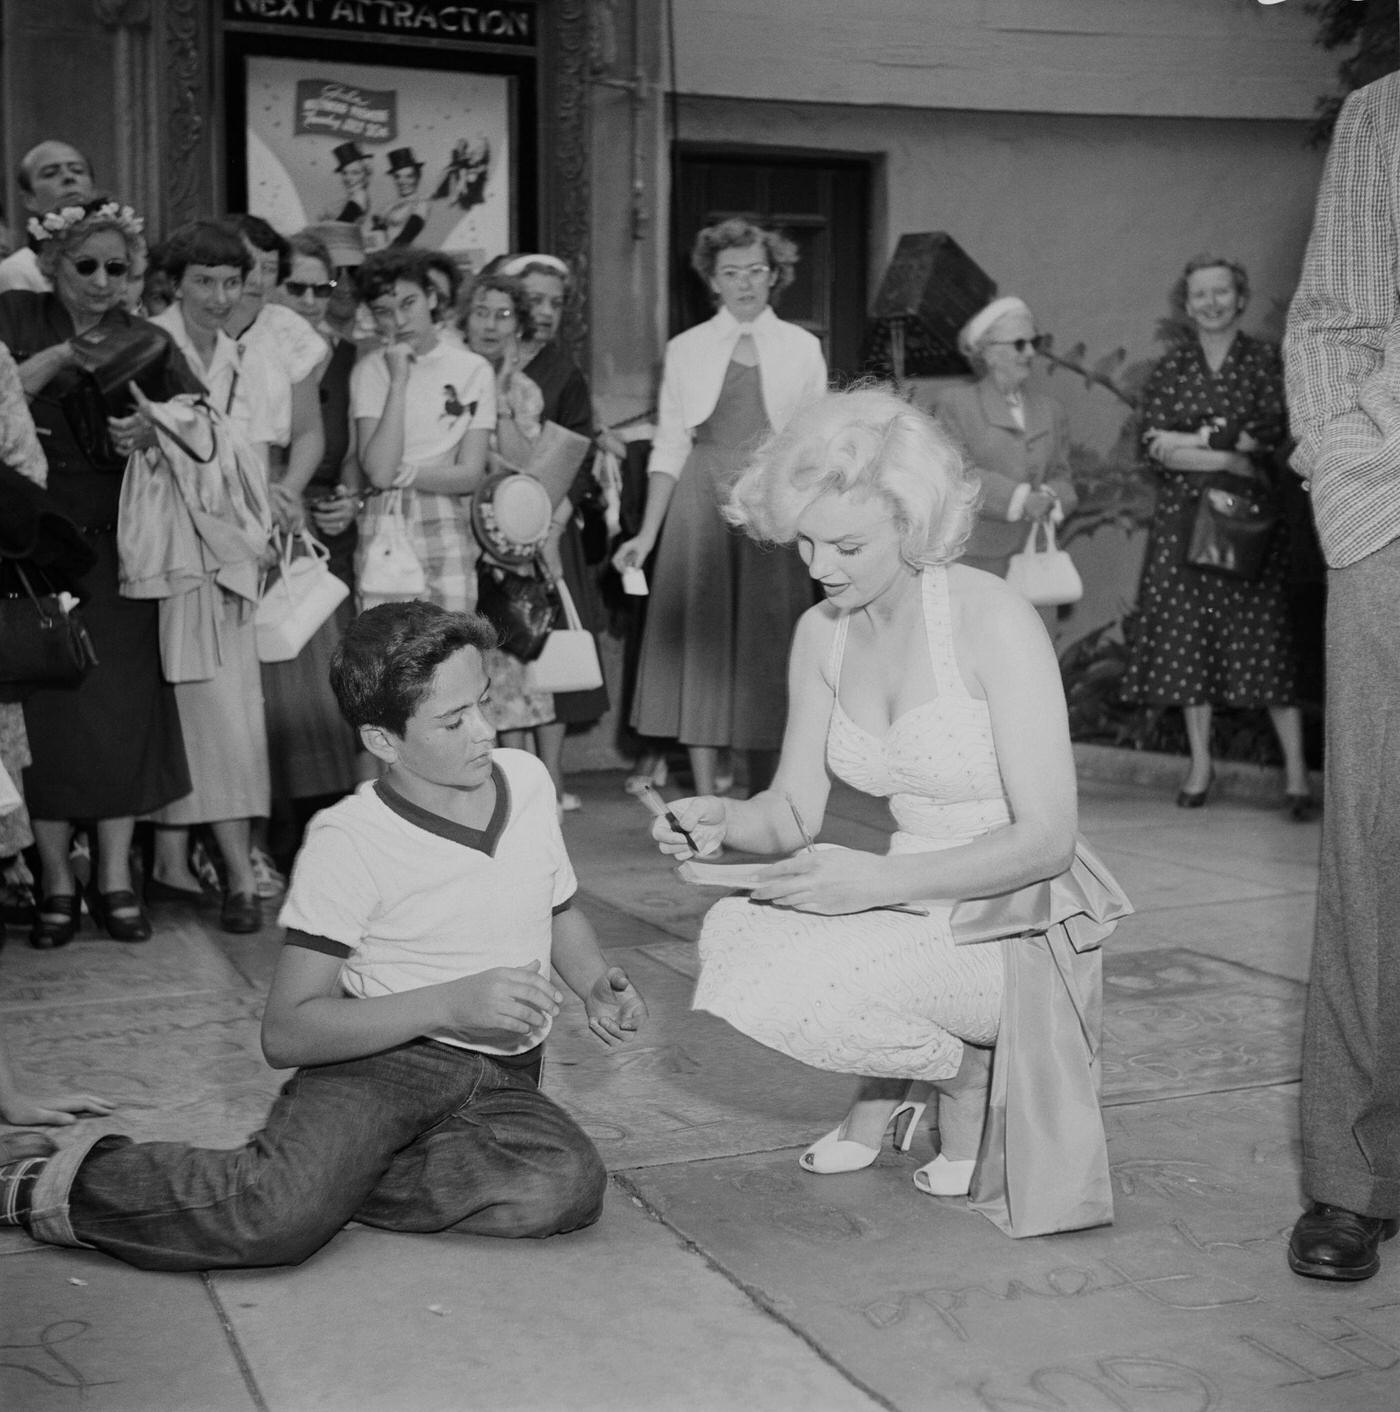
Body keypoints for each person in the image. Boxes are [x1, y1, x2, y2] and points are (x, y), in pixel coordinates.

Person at [0, 601, 647, 1270]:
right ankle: (55, 1179)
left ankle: (328, 1181)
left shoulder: (530, 782)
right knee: (269, 1221)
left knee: (563, 1190)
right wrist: (449, 1004)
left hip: (503, 1077)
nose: (485, 732)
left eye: (484, 703)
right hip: (381, 1062)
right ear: (384, 741)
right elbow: (287, 1032)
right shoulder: (351, 840)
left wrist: (596, 981)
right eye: (453, 721)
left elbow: (558, 908)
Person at [648, 386, 1126, 1237]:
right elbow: (792, 813)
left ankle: (954, 1080)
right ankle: (953, 1072)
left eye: (848, 544)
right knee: (732, 941)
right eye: (805, 543)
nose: (822, 568)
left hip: (1012, 920)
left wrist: (874, 880)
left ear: (914, 521)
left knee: (832, 983)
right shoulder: (820, 633)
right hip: (903, 898)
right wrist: (722, 817)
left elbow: (1048, 841)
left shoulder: (993, 619)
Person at [0, 196, 193, 946]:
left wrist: (155, 430)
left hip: (121, 553)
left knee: (118, 715)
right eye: (87, 265)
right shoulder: (16, 317)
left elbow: (204, 432)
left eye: (119, 267)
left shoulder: (147, 338)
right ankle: (55, 881)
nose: (103, 280)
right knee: (42, 712)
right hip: (30, 551)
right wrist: (49, 365)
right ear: (53, 264)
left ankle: (114, 877)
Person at [1283, 71, 1400, 1283]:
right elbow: (1332, 319)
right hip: (1396, 521)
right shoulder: (1387, 113)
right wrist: (1352, 488)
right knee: (1376, 852)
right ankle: (1355, 1175)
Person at [612, 217, 827, 798]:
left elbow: (813, 446)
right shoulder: (686, 349)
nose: (745, 284)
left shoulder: (804, 348)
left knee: (771, 645)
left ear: (774, 274)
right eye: (731, 273)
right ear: (712, 280)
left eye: (756, 271)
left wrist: (817, 523)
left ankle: (776, 800)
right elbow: (670, 445)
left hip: (770, 504)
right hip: (699, 506)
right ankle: (707, 801)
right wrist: (647, 536)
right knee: (701, 649)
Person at [1119, 255, 1315, 815]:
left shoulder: (1263, 362)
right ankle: (1200, 767)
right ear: (1186, 303)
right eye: (1199, 294)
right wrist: (1224, 447)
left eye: (1221, 292)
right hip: (1181, 527)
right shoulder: (1171, 368)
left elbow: (1266, 434)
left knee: (1266, 646)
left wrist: (1196, 443)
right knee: (1189, 647)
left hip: (1246, 527)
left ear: (1240, 296)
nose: (1211, 303)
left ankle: (1298, 779)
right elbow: (1154, 448)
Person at [144, 220, 276, 933]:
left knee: (227, 712)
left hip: (229, 556)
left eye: (232, 282)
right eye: (205, 281)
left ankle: (229, 870)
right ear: (175, 282)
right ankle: (183, 865)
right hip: (162, 553)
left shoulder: (243, 358)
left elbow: (252, 461)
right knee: (177, 708)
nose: (221, 297)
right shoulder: (147, 343)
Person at [498, 252, 612, 812]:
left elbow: (581, 454)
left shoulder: (563, 372)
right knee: (502, 651)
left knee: (543, 645)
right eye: (534, 300)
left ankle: (552, 778)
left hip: (549, 523)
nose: (544, 312)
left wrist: (553, 527)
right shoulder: (484, 361)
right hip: (491, 520)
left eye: (555, 302)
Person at [351, 248, 494, 614]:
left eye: (408, 303)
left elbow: (469, 474)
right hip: (385, 519)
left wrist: (411, 473)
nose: (399, 320)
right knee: (386, 653)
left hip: (446, 517)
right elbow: (380, 472)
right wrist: (398, 380)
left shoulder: (473, 369)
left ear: (431, 298)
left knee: (453, 644)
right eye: (384, 311)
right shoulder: (372, 371)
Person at [461, 272, 557, 747]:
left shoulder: (523, 391)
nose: (491, 325)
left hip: (504, 543)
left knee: (510, 675)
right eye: (481, 312)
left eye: (503, 315)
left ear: (518, 326)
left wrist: (497, 391)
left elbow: (524, 464)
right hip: (454, 534)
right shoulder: (447, 372)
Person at [933, 295, 1077, 578]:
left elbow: (1064, 476)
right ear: (986, 352)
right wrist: (1019, 499)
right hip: (977, 558)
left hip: (1038, 558)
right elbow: (954, 475)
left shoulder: (1051, 410)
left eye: (1033, 343)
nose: (1030, 353)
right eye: (1019, 344)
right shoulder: (955, 405)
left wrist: (1050, 497)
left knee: (1036, 624)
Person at [0, 140, 95, 294]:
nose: (69, 177)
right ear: (29, 199)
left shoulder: (116, 256)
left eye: (77, 170)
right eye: (50, 173)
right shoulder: (18, 270)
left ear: (93, 189)